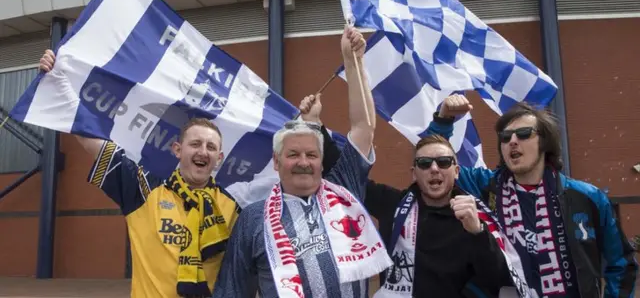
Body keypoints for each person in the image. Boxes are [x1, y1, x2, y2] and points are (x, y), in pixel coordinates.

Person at [37, 50, 340, 298]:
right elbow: (89, 136)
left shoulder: (234, 202)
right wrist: (57, 81)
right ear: (177, 149)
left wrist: (311, 124)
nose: (202, 152)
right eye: (195, 144)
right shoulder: (143, 188)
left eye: (210, 147)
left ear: (219, 158)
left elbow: (297, 168)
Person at [212, 26, 392, 298]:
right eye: (293, 154)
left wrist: (353, 61)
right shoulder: (252, 217)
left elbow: (363, 126)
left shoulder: (345, 189)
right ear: (276, 162)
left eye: (311, 155)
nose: (303, 162)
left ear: (321, 162)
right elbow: (232, 290)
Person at [426, 94, 638, 298]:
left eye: (524, 134)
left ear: (544, 143)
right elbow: (431, 164)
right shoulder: (485, 187)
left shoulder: (587, 197)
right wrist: (444, 119)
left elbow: (620, 264)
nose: (513, 142)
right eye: (505, 137)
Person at [317, 94, 511, 298]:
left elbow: (497, 279)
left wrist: (478, 233)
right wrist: (315, 125)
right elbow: (347, 177)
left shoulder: (473, 216)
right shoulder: (393, 204)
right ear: (414, 172)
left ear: (456, 171)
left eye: (443, 162)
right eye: (425, 163)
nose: (434, 169)